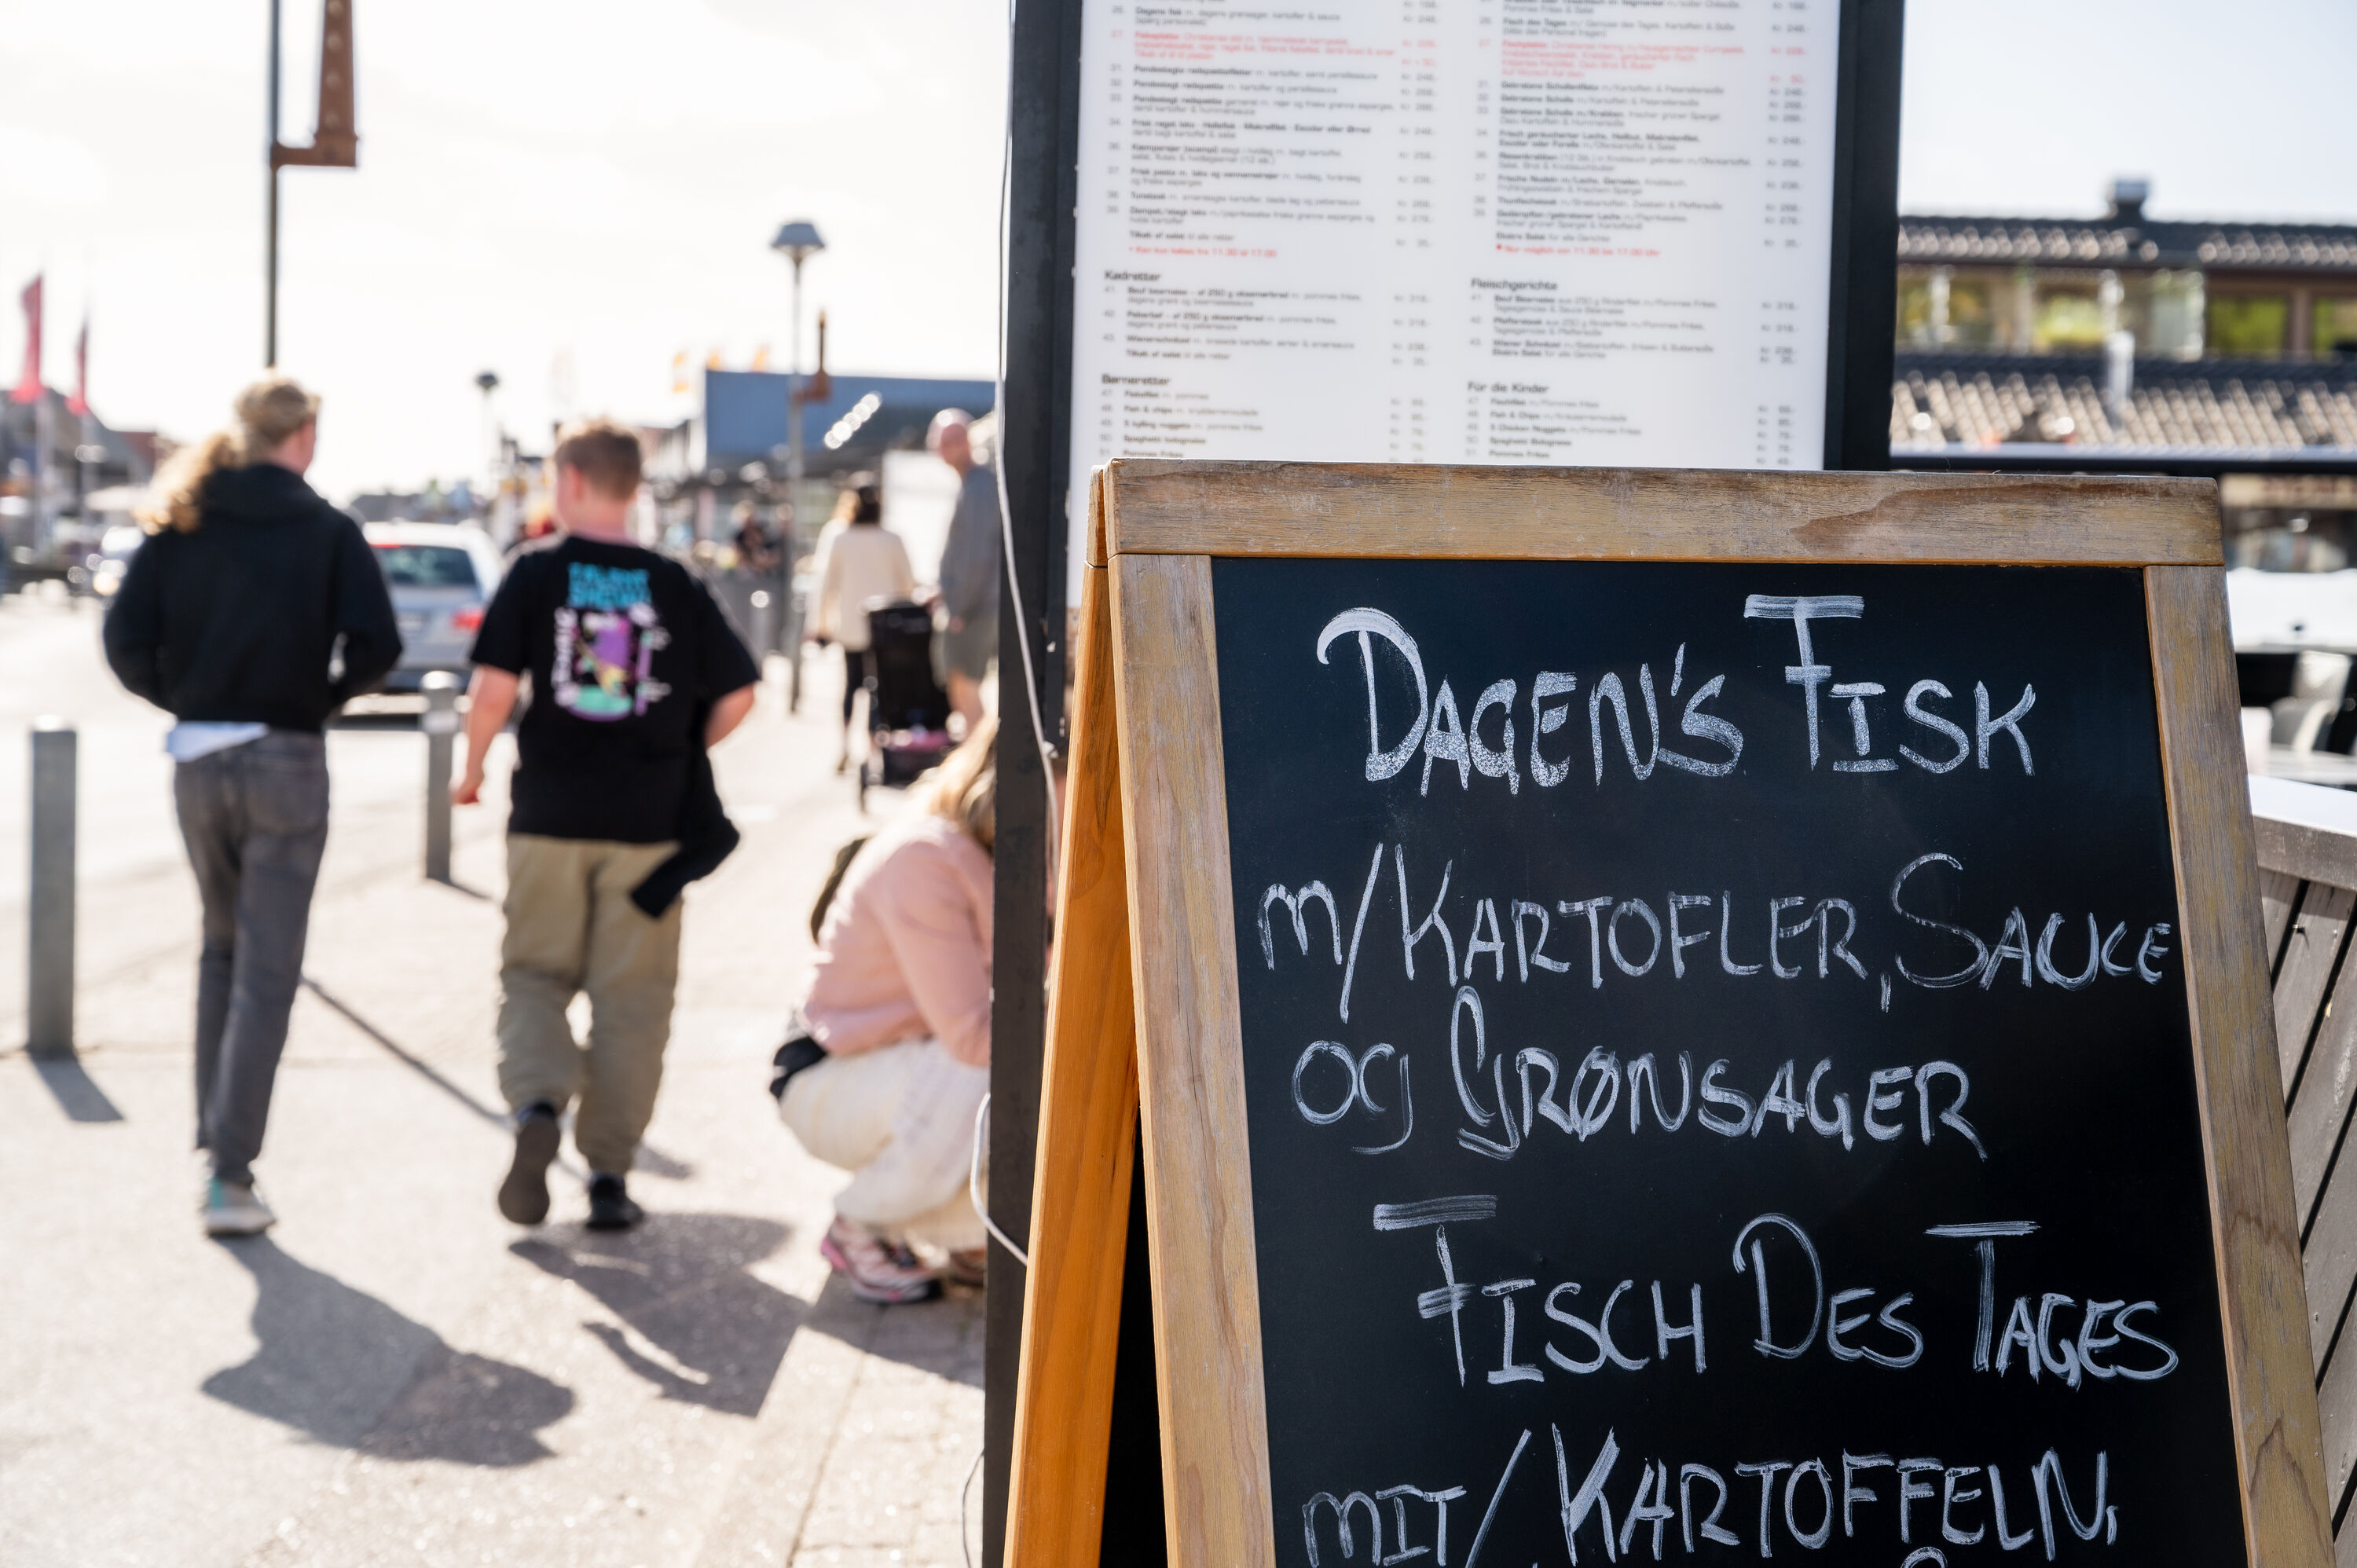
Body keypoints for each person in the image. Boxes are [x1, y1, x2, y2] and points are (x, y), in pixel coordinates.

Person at [102, 373, 402, 1237]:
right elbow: (377, 645)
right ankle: (230, 1175)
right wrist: (317, 698)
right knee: (267, 970)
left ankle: (216, 1148)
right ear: (302, 436)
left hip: (199, 757)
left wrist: (189, 699)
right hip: (286, 758)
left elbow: (123, 640)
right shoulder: (328, 528)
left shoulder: (184, 517)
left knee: (220, 950)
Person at [453, 417, 761, 1232]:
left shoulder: (535, 570)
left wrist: (471, 771)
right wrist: (676, 750)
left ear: (574, 481)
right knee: (634, 1001)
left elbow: (492, 692)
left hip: (549, 817)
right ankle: (610, 1176)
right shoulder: (673, 580)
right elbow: (739, 693)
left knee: (534, 975)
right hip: (649, 826)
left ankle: (536, 1104)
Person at [774, 718, 996, 1302]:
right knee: (988, 1075)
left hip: (894, 1064)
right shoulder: (930, 857)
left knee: (1014, 1076)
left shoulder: (977, 853)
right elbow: (974, 1037)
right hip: (827, 1077)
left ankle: (971, 1235)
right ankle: (860, 1223)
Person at [808, 474, 915, 772]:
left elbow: (825, 585)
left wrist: (819, 626)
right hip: (886, 629)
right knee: (879, 691)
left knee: (850, 687)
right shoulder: (892, 539)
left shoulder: (838, 536)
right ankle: (873, 751)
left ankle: (844, 746)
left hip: (850, 628)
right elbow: (908, 584)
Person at [929, 410, 1001, 729]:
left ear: (968, 442)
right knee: (958, 686)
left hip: (974, 608)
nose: (947, 448)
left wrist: (960, 608)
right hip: (969, 605)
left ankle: (980, 757)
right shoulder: (972, 484)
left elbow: (977, 556)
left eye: (954, 440)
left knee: (966, 687)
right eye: (942, 442)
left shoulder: (979, 487)